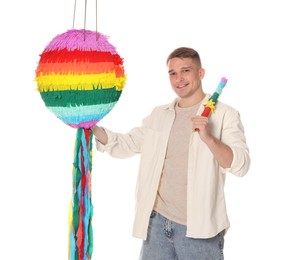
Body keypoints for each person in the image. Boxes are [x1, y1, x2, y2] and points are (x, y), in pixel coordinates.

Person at [91, 47, 250, 260]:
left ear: (200, 73)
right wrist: (91, 126)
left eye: (186, 71)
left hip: (200, 231)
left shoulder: (225, 115)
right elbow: (126, 144)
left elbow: (241, 165)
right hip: (156, 224)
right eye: (172, 73)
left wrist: (209, 139)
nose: (179, 79)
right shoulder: (159, 115)